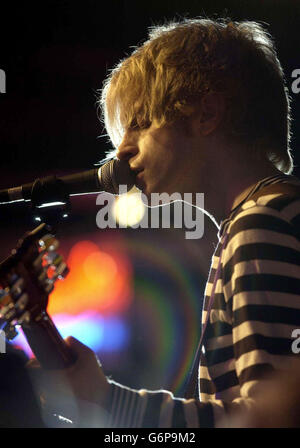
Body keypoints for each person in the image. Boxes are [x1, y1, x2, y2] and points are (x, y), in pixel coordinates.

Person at [28, 17, 300, 427]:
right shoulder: (268, 216)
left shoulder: (260, 226)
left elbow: (267, 421)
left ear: (206, 113)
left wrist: (105, 399)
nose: (121, 151)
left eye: (140, 123)